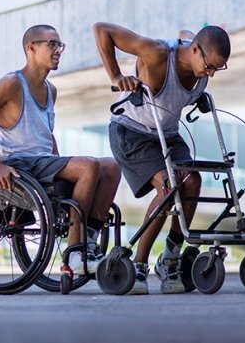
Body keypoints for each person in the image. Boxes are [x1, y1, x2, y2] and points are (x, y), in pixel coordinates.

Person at [0, 25, 121, 277]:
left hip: (44, 162)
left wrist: (63, 164)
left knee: (111, 166)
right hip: (19, 163)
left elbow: (46, 134)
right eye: (52, 44)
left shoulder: (50, 90)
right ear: (31, 48)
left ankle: (88, 240)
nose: (58, 50)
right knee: (88, 165)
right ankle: (75, 254)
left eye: (60, 45)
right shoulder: (11, 83)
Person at [92, 22, 230, 294]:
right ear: (195, 51)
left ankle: (169, 258)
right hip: (131, 131)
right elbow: (101, 30)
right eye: (209, 66)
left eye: (217, 69)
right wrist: (116, 75)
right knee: (169, 187)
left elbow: (185, 33)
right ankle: (139, 265)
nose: (210, 75)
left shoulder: (196, 54)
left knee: (192, 181)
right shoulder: (156, 53)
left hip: (165, 133)